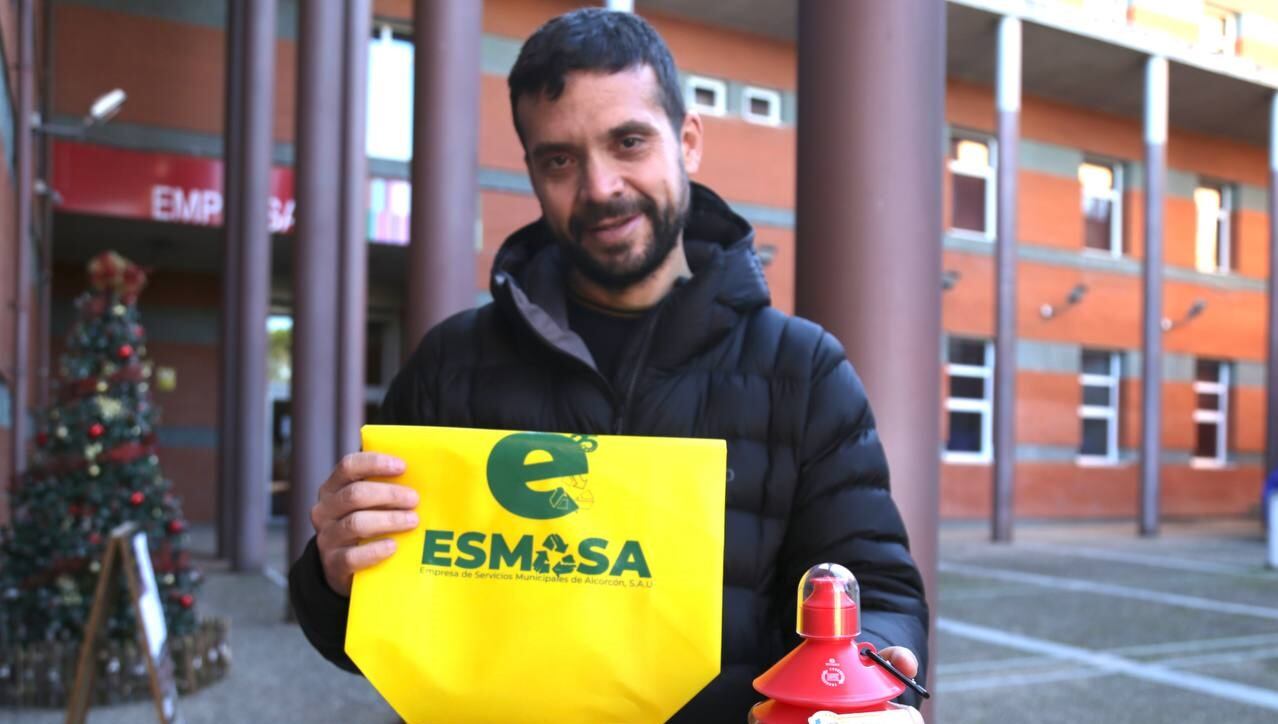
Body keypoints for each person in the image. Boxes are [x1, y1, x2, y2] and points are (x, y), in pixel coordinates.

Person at [288, 8, 928, 720]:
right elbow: (356, 637)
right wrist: (332, 571)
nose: (599, 186)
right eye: (560, 159)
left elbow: (876, 589)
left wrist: (864, 671)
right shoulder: (452, 364)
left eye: (629, 142)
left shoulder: (801, 370)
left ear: (687, 142)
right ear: (531, 170)